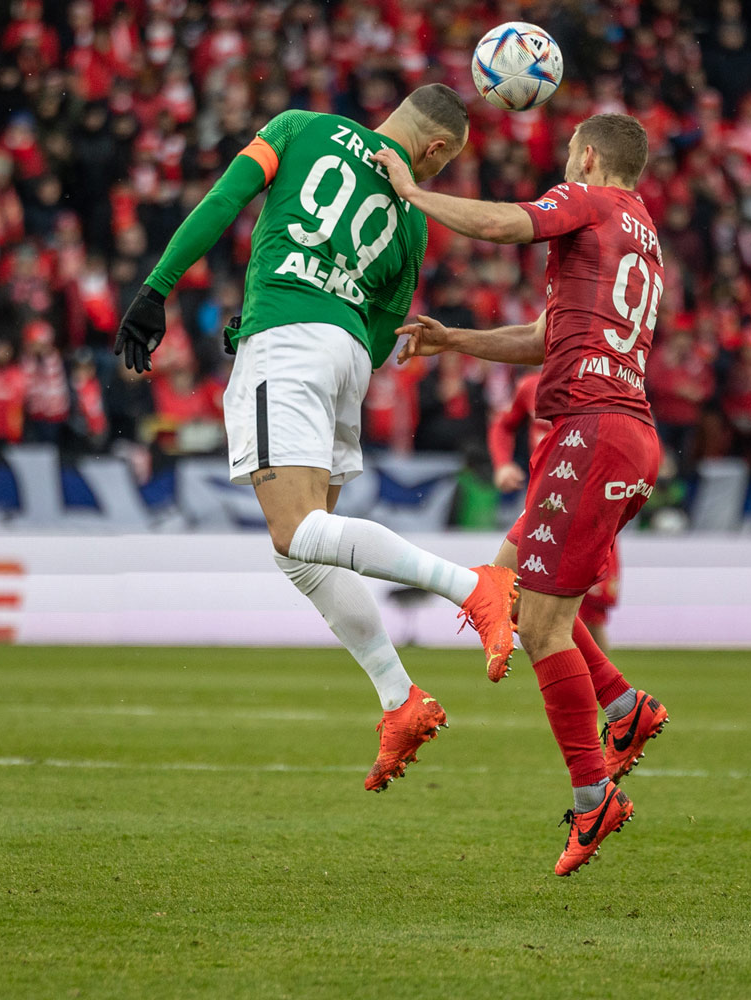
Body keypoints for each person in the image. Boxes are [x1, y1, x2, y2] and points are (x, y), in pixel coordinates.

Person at [110, 86, 518, 793]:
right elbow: (388, 333)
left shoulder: (299, 127)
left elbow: (222, 201)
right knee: (301, 549)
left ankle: (470, 586)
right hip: (346, 359)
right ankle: (399, 699)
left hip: (286, 339)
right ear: (437, 149)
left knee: (299, 532)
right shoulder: (413, 221)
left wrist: (157, 288)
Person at [376, 113, 666, 876]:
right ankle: (623, 710)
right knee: (506, 585)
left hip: (592, 428)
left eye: (570, 157)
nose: (563, 170)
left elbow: (508, 225)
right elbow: (547, 336)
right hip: (619, 429)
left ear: (592, 157)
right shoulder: (639, 230)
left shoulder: (593, 203)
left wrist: (411, 190)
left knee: (539, 628)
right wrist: (456, 339)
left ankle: (592, 795)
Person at [490, 369, 622, 650]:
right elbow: (503, 425)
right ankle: (579, 684)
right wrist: (502, 464)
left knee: (590, 611)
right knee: (524, 600)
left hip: (591, 509)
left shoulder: (602, 386)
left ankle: (601, 688)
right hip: (545, 507)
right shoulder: (530, 386)